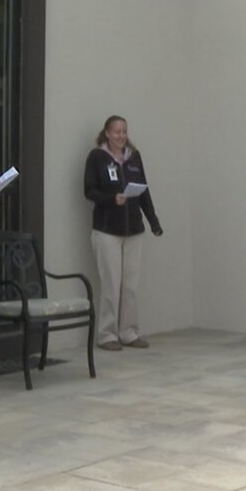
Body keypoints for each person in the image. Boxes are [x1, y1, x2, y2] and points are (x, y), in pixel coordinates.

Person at [84, 115, 163, 351]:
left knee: (130, 285)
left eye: (124, 131)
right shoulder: (97, 157)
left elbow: (144, 192)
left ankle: (128, 332)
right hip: (107, 230)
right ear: (107, 133)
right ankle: (107, 335)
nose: (121, 136)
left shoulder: (134, 158)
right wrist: (111, 199)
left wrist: (153, 221)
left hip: (134, 230)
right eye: (116, 132)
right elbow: (89, 190)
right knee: (111, 284)